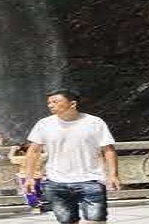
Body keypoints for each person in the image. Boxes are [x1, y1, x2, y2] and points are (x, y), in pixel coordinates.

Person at [24, 89, 119, 224]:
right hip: (56, 181)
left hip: (91, 180)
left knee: (96, 220)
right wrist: (29, 177)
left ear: (72, 104)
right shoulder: (44, 124)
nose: (50, 105)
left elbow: (108, 149)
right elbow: (33, 151)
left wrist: (113, 175)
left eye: (55, 101)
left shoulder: (94, 122)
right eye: (49, 102)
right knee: (67, 221)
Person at [9, 142, 45, 214]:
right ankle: (37, 201)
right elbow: (47, 154)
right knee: (37, 190)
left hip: (25, 177)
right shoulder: (40, 157)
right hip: (38, 177)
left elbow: (11, 158)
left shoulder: (23, 158)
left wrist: (12, 150)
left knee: (29, 192)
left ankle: (35, 206)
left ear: (23, 152)